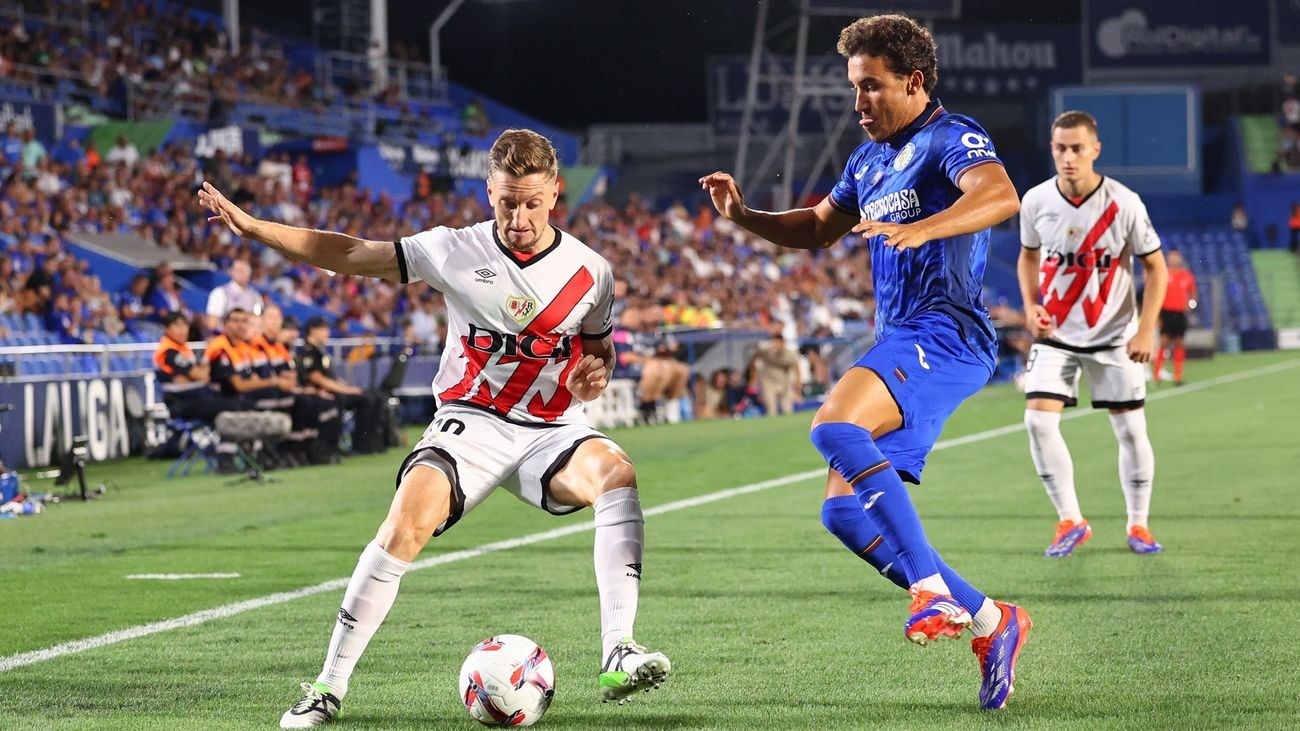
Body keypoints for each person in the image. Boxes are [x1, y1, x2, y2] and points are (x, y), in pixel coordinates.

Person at [199, 127, 671, 728]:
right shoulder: (454, 249)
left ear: (555, 193)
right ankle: (327, 686)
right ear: (489, 192)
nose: (519, 217)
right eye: (506, 202)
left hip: (550, 428)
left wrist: (593, 378)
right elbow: (349, 253)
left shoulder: (591, 272)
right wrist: (258, 228)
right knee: (403, 525)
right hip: (469, 421)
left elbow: (599, 356)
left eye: (531, 202)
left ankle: (619, 650)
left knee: (617, 475)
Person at [699, 13, 1028, 711]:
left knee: (833, 427)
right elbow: (820, 226)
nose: (860, 103)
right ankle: (995, 621)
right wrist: (745, 216)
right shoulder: (867, 160)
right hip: (902, 335)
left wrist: (923, 227)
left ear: (913, 83)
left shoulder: (950, 136)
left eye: (872, 87)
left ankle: (932, 593)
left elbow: (1000, 196)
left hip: (947, 330)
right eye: (855, 87)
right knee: (845, 514)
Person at [1017, 110, 1169, 558]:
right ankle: (1071, 519)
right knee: (1037, 421)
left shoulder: (1124, 203)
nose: (1068, 157)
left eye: (1077, 148)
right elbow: (1027, 257)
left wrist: (1146, 330)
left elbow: (1155, 267)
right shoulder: (1036, 200)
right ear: (1052, 149)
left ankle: (1138, 525)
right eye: (1060, 148)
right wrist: (1030, 307)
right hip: (1056, 334)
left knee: (1130, 431)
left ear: (1095, 150)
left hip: (1114, 336)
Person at [296, 317, 387, 455]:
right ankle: (360, 445)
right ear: (313, 331)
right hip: (324, 393)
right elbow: (318, 379)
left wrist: (346, 386)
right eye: (324, 329)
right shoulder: (308, 351)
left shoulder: (320, 351)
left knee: (375, 396)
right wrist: (347, 390)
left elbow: (330, 377)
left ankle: (373, 442)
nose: (328, 332)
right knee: (367, 399)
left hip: (333, 390)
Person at [153, 311, 240, 420]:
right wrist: (208, 356)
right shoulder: (169, 352)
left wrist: (192, 375)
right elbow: (202, 376)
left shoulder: (182, 348)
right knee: (234, 405)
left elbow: (198, 373)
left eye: (185, 325)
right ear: (167, 329)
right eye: (177, 325)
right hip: (181, 401)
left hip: (195, 396)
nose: (182, 330)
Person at [1152, 250, 1195, 387]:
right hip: (1166, 312)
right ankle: (1157, 375)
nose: (1174, 259)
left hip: (1180, 313)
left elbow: (1193, 294)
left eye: (1176, 257)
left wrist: (1190, 304)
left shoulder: (1186, 275)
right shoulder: (1163, 274)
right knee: (1164, 342)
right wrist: (1157, 315)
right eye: (1171, 257)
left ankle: (1178, 376)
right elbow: (1156, 293)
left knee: (1180, 343)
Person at [748, 329, 801, 416]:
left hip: (784, 383)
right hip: (768, 383)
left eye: (778, 343)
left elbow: (796, 367)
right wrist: (753, 377)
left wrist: (798, 382)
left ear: (783, 343)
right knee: (771, 410)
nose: (776, 345)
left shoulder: (790, 354)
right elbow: (755, 357)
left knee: (787, 410)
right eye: (774, 343)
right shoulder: (767, 351)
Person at [205, 259, 263, 333]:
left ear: (249, 274)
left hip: (249, 339)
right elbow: (211, 323)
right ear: (232, 272)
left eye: (245, 271)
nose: (242, 274)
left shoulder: (255, 295)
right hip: (226, 338)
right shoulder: (220, 292)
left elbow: (258, 320)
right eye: (239, 270)